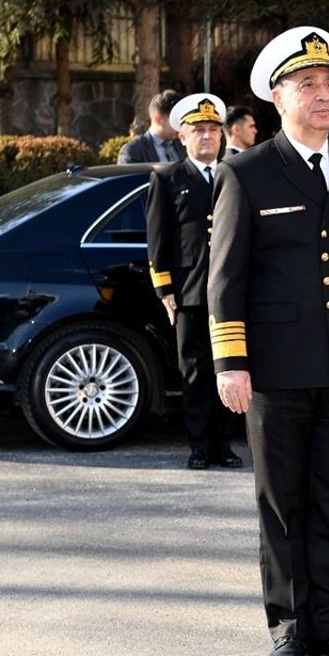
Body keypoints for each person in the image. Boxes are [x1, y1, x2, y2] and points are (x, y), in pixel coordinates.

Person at [208, 26, 329, 656]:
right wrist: (231, 363)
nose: (323, 96)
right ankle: (288, 626)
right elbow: (226, 279)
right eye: (307, 86)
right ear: (277, 98)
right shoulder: (247, 172)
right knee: (282, 506)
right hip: (277, 368)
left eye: (328, 85)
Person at [144, 92, 244, 470]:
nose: (207, 137)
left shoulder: (236, 175)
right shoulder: (168, 178)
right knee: (196, 371)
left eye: (213, 130)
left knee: (231, 368)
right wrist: (165, 288)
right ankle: (200, 445)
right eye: (198, 130)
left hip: (233, 292)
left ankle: (226, 444)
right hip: (190, 293)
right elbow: (158, 238)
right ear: (182, 137)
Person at [119, 89, 184, 164]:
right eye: (175, 120)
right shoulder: (133, 151)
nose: (180, 124)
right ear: (158, 119)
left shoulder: (183, 145)